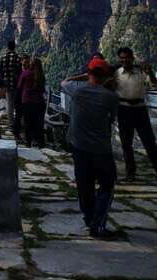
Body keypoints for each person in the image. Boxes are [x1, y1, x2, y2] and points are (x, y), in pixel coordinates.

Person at [61, 56, 119, 239]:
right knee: (107, 185)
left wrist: (82, 76)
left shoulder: (76, 91)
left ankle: (89, 218)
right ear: (105, 76)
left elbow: (64, 82)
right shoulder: (110, 97)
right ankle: (98, 224)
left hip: (79, 147)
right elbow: (112, 118)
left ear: (89, 73)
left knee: (84, 185)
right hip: (101, 148)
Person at [113, 47, 157, 181]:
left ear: (132, 58)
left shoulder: (142, 72)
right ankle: (130, 173)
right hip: (124, 109)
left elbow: (155, 85)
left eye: (126, 57)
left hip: (140, 109)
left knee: (149, 141)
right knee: (126, 143)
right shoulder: (116, 73)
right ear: (119, 59)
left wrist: (151, 74)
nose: (124, 60)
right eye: (122, 58)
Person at [17, 57, 46, 147]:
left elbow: (19, 87)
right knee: (39, 123)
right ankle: (40, 142)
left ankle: (28, 142)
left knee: (28, 123)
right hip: (40, 102)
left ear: (30, 64)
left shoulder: (25, 73)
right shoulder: (41, 75)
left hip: (27, 102)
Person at [0, 40, 23, 138]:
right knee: (18, 105)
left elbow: (0, 73)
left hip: (6, 85)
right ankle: (18, 124)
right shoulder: (18, 58)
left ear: (7, 47)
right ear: (14, 47)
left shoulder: (3, 58)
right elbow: (20, 72)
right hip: (16, 85)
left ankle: (11, 124)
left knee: (9, 105)